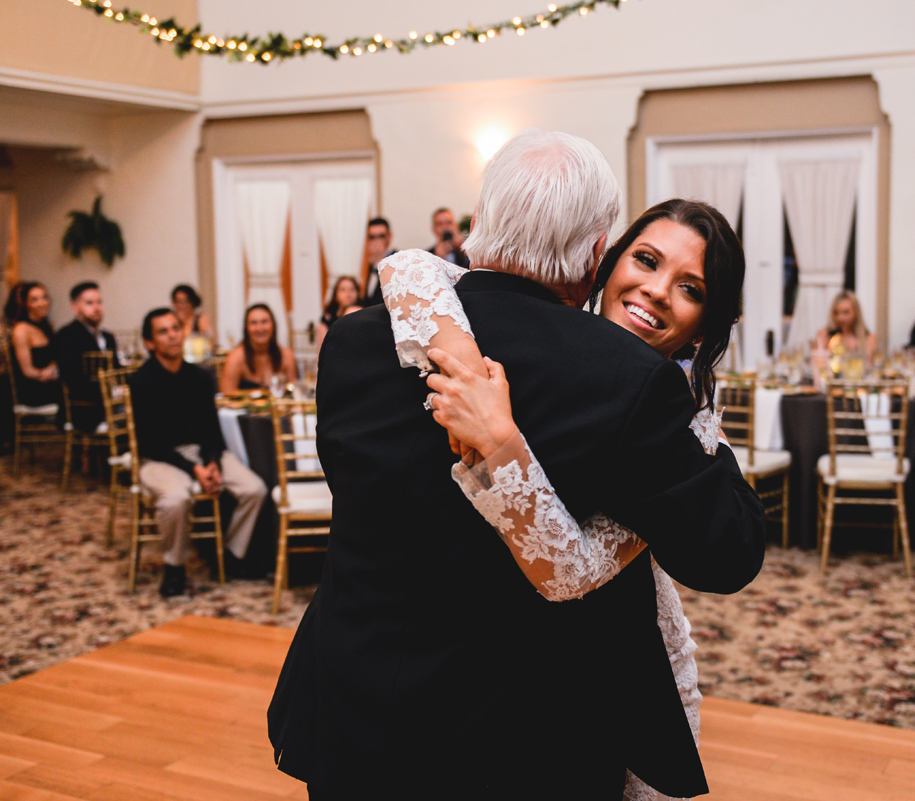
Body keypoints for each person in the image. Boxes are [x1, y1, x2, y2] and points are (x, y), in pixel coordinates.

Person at [268, 129, 766, 800]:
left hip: (352, 711)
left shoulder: (356, 339)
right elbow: (727, 551)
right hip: (513, 744)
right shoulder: (625, 381)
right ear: (599, 254)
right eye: (642, 258)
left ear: (480, 221)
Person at [380, 197, 744, 800]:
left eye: (690, 289)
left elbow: (570, 566)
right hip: (471, 683)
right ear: (605, 262)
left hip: (622, 658)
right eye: (646, 260)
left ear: (704, 324)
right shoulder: (531, 345)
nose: (656, 290)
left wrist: (498, 439)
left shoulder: (677, 421)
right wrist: (465, 369)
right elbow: (410, 268)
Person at [130, 309, 268, 597]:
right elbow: (150, 443)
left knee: (254, 489)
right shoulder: (141, 382)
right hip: (160, 458)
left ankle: (231, 555)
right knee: (176, 499)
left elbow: (210, 429)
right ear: (150, 343)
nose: (173, 336)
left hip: (202, 454)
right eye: (163, 331)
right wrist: (194, 469)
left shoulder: (200, 376)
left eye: (175, 329)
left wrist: (212, 462)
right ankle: (174, 566)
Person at [54, 281, 118, 432]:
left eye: (99, 302)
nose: (97, 308)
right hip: (83, 407)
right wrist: (109, 391)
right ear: (75, 308)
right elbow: (73, 378)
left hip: (112, 401)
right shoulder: (67, 336)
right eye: (89, 303)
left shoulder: (108, 337)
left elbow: (116, 369)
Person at [219, 304, 298, 395]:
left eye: (264, 322)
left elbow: (294, 393)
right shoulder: (235, 358)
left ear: (273, 325)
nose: (260, 328)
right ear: (246, 328)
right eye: (254, 323)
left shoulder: (286, 355)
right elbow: (226, 394)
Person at [5, 282, 60, 409]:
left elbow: (55, 356)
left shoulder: (47, 326)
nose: (42, 303)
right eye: (34, 300)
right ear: (26, 304)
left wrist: (53, 367)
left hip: (49, 382)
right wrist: (49, 374)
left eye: (44, 298)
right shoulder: (21, 330)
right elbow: (28, 371)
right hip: (32, 389)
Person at [816, 289, 877, 358]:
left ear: (856, 313)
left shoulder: (869, 338)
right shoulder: (825, 335)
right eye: (836, 313)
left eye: (846, 312)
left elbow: (869, 365)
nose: (840, 318)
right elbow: (818, 362)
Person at [315, 276, 362, 350]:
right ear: (335, 294)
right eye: (343, 290)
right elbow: (322, 348)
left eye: (352, 289)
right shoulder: (328, 318)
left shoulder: (363, 314)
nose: (348, 294)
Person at [360, 217, 395, 306]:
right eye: (372, 237)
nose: (377, 241)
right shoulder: (367, 267)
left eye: (381, 236)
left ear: (389, 237)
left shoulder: (398, 262)